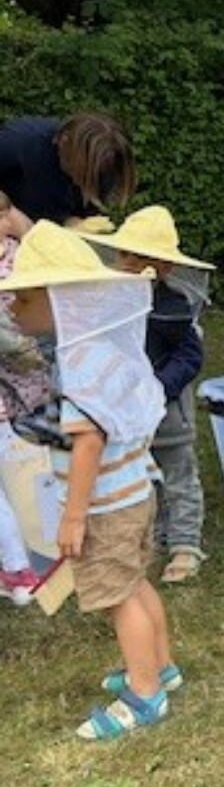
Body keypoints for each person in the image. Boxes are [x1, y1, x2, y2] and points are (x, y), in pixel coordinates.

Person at [5, 221, 173, 739]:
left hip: (105, 505)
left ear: (58, 300)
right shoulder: (102, 349)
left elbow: (89, 443)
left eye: (23, 297)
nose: (12, 308)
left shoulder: (78, 364)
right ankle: (160, 666)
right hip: (133, 492)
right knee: (135, 583)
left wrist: (73, 517)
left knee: (117, 596)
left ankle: (145, 696)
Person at [81, 207, 214, 585]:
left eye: (140, 259)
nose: (128, 264)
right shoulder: (108, 304)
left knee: (178, 475)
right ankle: (158, 533)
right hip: (127, 415)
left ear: (165, 268)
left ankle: (186, 544)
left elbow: (190, 356)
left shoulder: (172, 310)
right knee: (145, 477)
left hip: (168, 414)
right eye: (125, 255)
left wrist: (158, 387)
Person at [0, 196, 51, 603]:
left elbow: (18, 339)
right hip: (24, 388)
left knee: (29, 475)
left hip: (24, 387)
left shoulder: (21, 261)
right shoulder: (23, 255)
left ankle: (20, 570)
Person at [0, 112, 136, 231]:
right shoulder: (17, 143)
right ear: (64, 141)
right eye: (78, 170)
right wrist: (12, 216)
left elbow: (80, 215)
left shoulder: (106, 163)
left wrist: (74, 223)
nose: (78, 181)